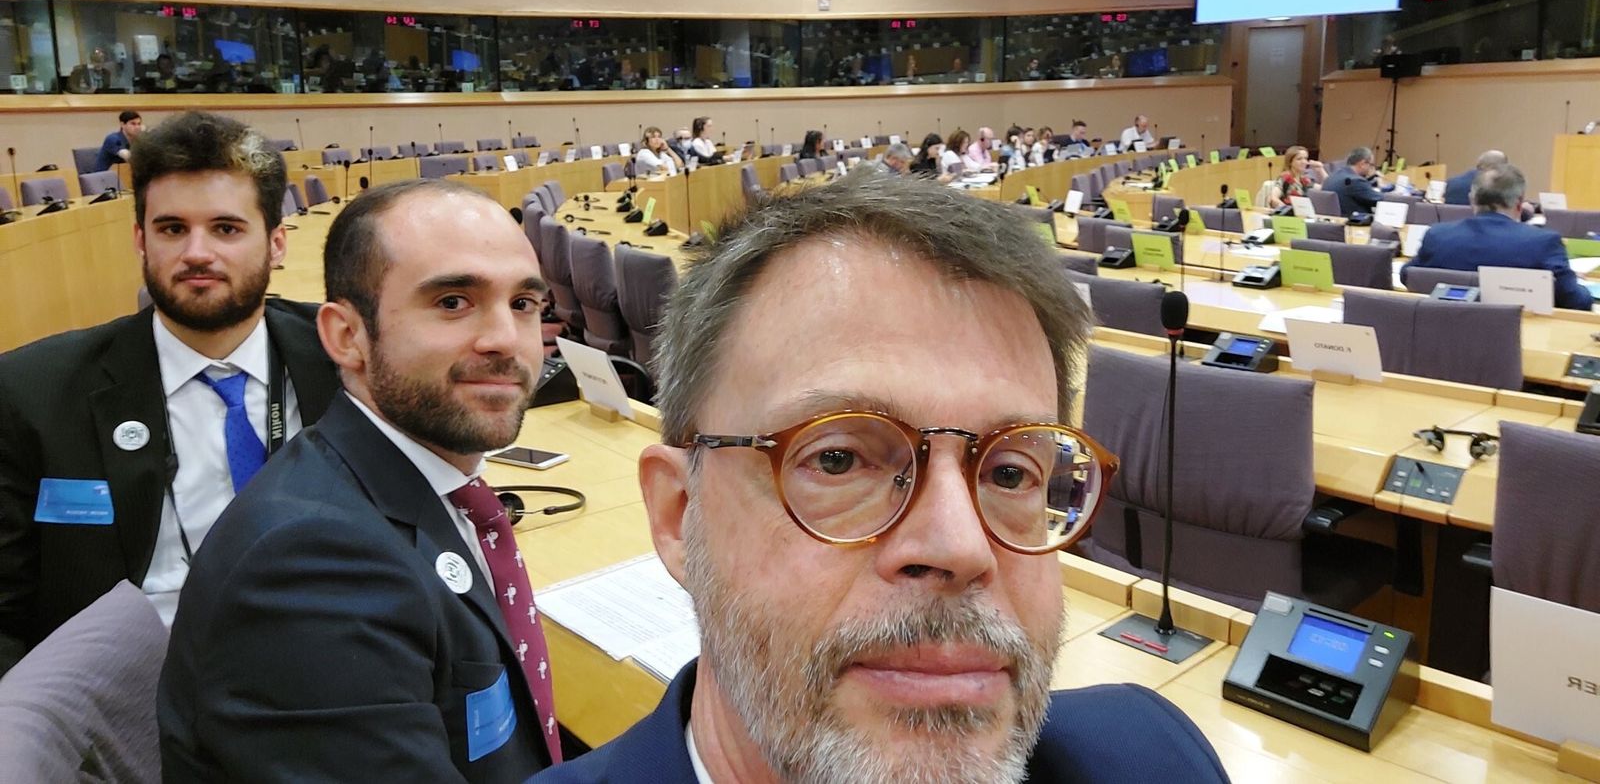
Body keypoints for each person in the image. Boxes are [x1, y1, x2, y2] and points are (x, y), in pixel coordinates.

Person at [532, 170, 1229, 784]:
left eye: (1010, 472)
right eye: (837, 458)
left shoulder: (1155, 757)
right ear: (679, 513)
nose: (961, 547)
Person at [159, 179, 560, 780]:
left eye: (524, 304)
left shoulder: (417, 484)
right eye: (453, 301)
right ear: (347, 337)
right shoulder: (311, 570)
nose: (506, 339)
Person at [0, 111, 338, 673]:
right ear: (141, 240)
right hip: (130, 687)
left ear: (277, 243)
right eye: (172, 229)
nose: (197, 252)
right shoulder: (33, 393)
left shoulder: (345, 360)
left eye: (226, 229)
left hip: (323, 667)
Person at [1403, 164, 1594, 311]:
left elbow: (1408, 275)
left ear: (1472, 199)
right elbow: (1577, 302)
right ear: (1519, 204)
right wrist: (1576, 283)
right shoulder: (1545, 242)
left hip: (1442, 337)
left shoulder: (1437, 235)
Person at [1321, 146, 1390, 216]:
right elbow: (1381, 199)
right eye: (1371, 165)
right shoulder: (1356, 181)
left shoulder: (1333, 175)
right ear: (1362, 164)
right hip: (1353, 220)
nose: (1371, 168)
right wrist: (1384, 188)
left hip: (1333, 219)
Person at [1269, 145, 1327, 210]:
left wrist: (1320, 170)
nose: (1304, 162)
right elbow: (1273, 198)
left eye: (1305, 158)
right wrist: (1287, 210)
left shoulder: (1305, 181)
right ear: (1290, 162)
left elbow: (1326, 188)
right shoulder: (1285, 178)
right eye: (1299, 159)